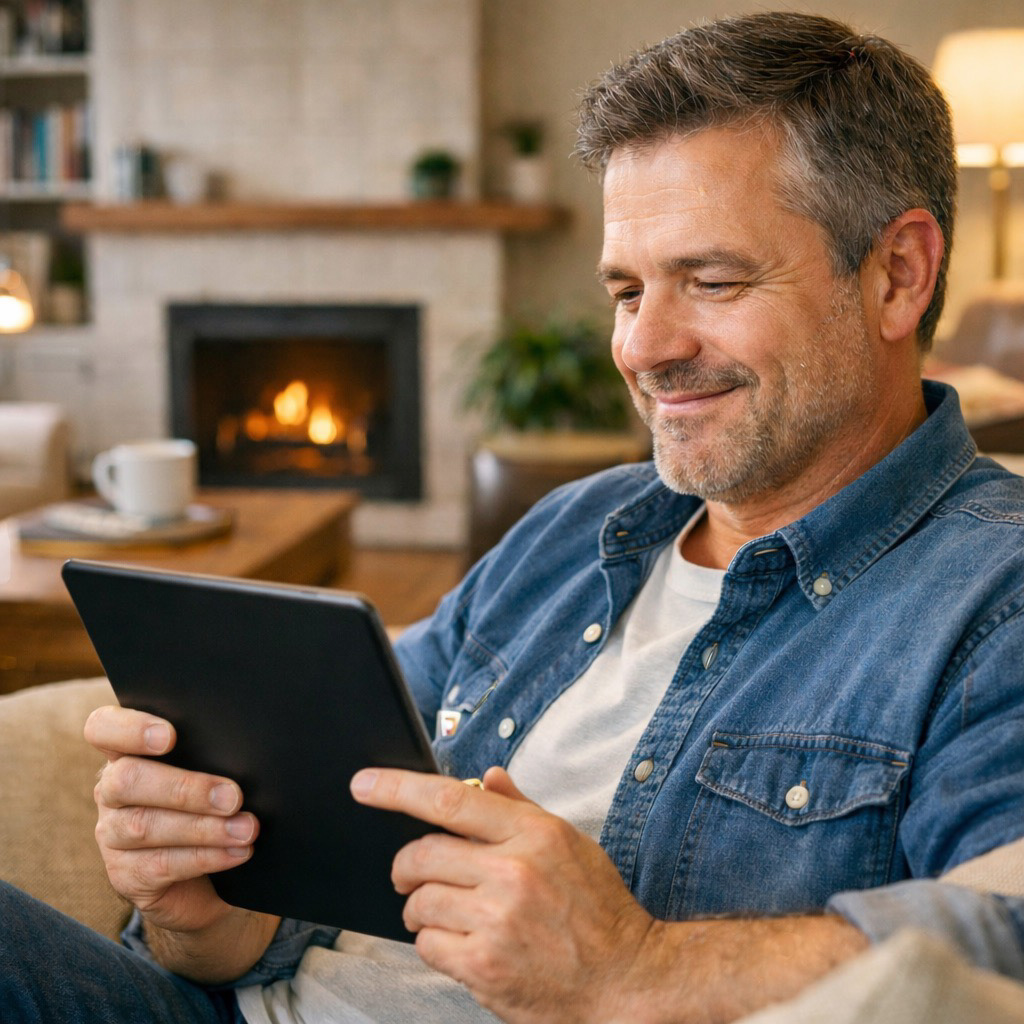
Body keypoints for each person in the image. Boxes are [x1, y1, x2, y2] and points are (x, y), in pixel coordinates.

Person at [3, 10, 1024, 1024]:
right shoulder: (572, 530)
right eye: (626, 290)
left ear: (898, 274)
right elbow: (327, 855)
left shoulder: (989, 594)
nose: (643, 345)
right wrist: (201, 913)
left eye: (711, 280)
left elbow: (1002, 938)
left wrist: (637, 967)